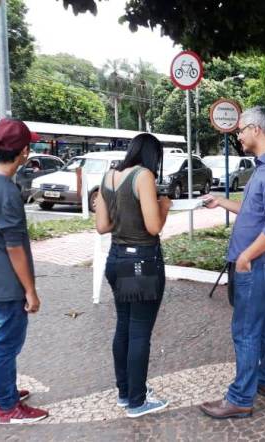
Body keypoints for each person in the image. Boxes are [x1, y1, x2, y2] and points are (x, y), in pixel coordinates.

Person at [199, 106, 265, 419]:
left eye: (241, 130)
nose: (238, 135)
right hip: (260, 265)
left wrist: (245, 256)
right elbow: (254, 212)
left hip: (256, 265)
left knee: (245, 330)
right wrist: (222, 202)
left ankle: (240, 397)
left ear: (256, 129)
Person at [95, 133, 172, 418]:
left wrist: (126, 215)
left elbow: (102, 226)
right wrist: (163, 208)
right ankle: (138, 402)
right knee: (140, 331)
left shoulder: (108, 176)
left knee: (124, 326)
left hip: (116, 258)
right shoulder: (144, 176)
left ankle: (125, 393)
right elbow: (153, 227)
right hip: (141, 260)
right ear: (154, 155)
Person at [0, 119, 48, 425]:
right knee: (5, 343)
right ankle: (7, 407)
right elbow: (14, 247)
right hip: (5, 284)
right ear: (24, 151)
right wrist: (30, 290)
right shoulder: (7, 191)